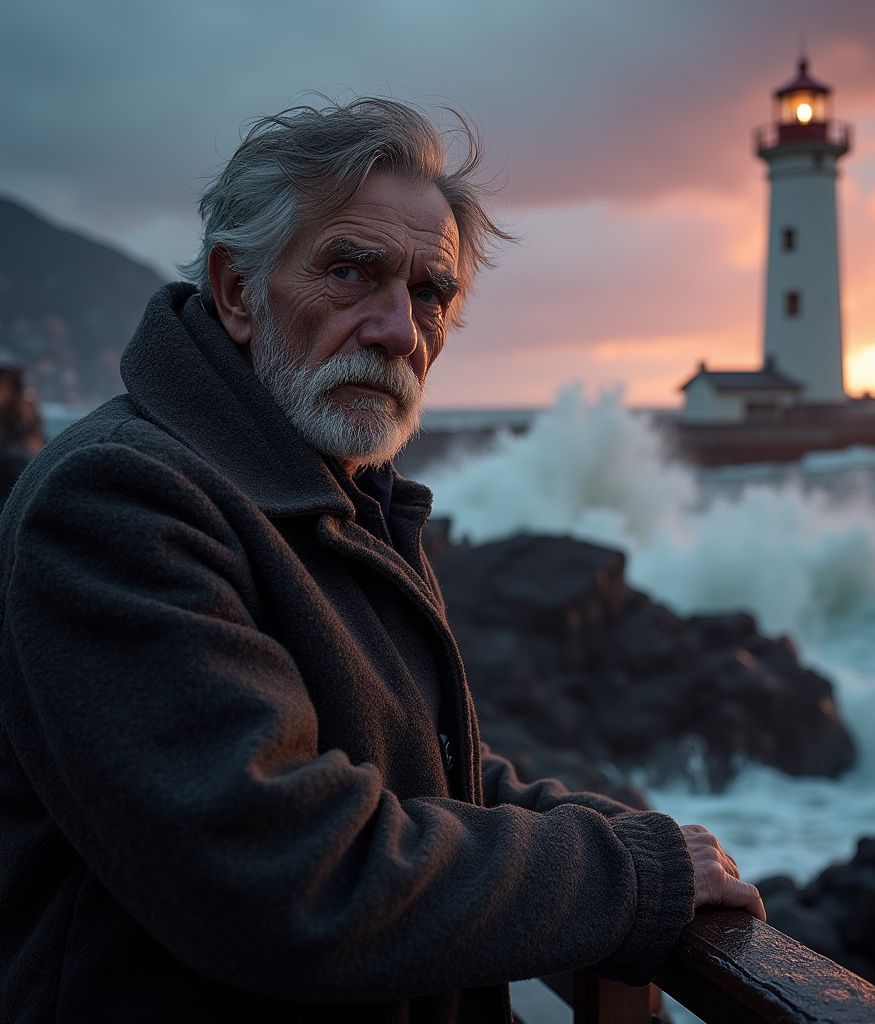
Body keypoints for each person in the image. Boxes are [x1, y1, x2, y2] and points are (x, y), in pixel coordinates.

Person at [0, 99, 764, 1023]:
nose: (399, 328)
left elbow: (414, 766)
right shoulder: (119, 501)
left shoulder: (329, 487)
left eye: (429, 293)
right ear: (238, 292)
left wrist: (611, 831)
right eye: (351, 272)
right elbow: (287, 877)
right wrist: (622, 878)